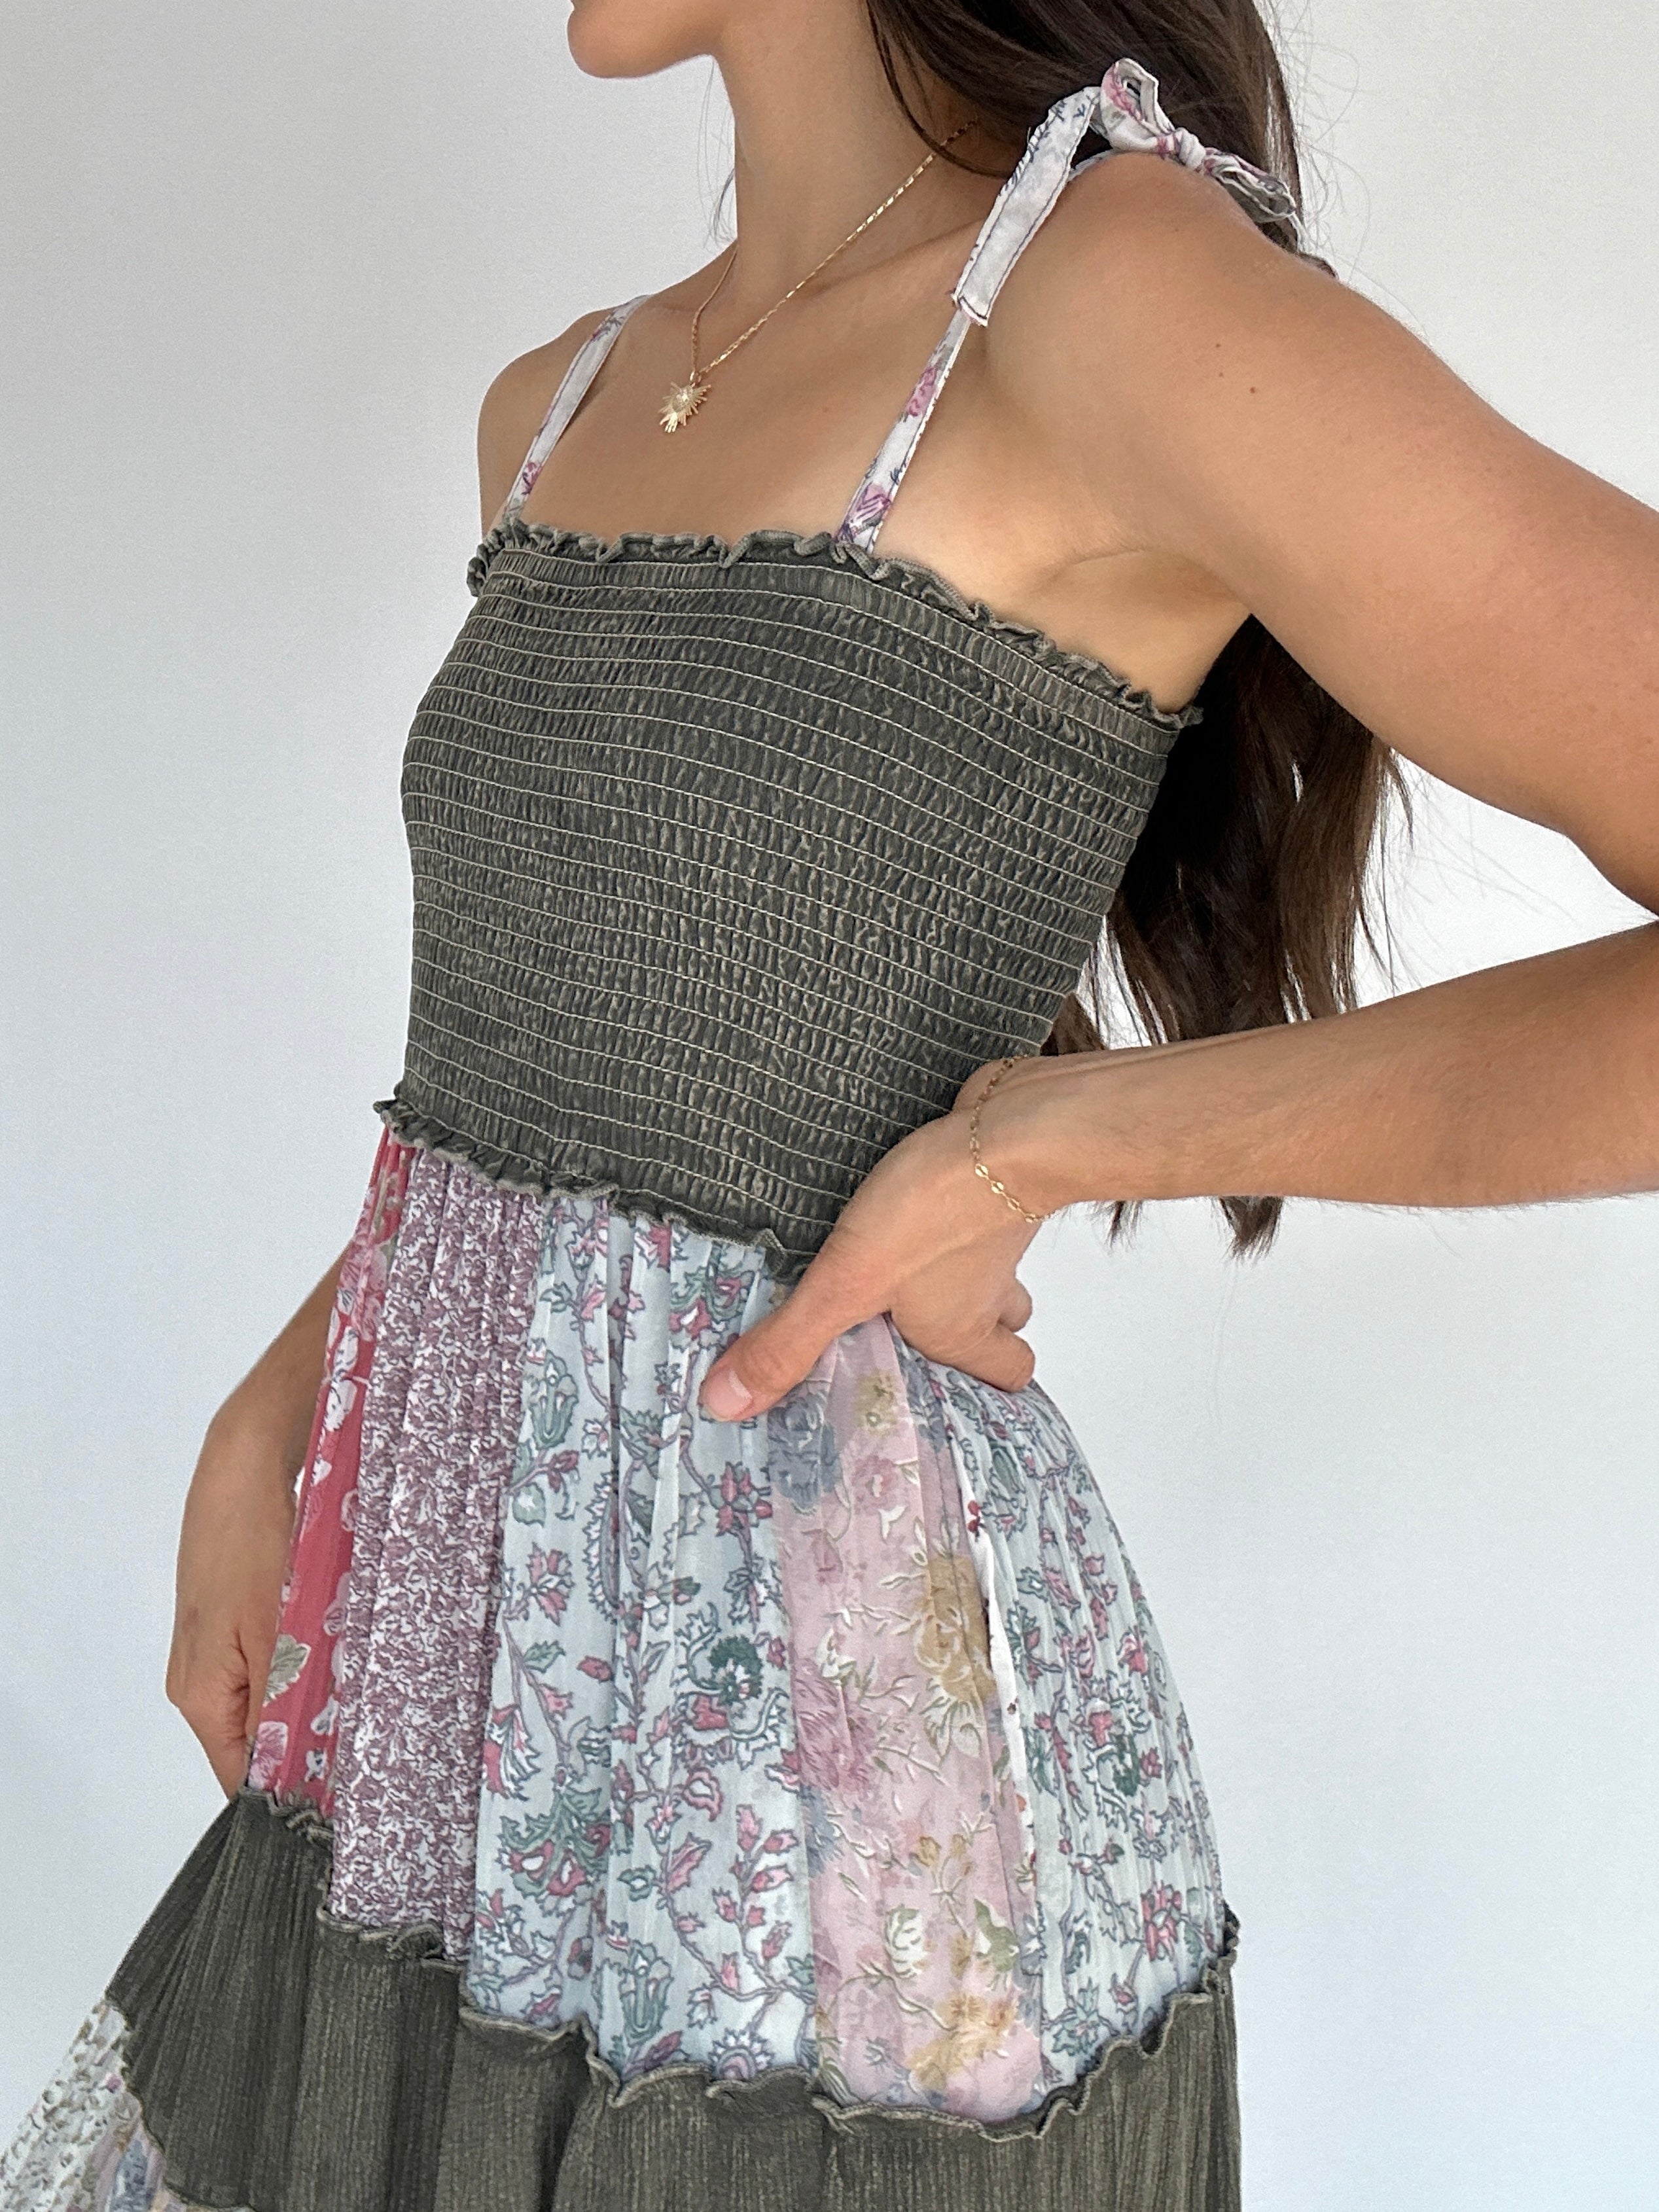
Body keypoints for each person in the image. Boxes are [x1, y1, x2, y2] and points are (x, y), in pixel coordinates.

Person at [5, 0, 1656, 2207]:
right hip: (443, 1715)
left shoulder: (1114, 295)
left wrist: (1058, 1142)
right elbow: (600, 1047)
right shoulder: (561, 400)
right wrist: (281, 1391)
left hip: (825, 1810)